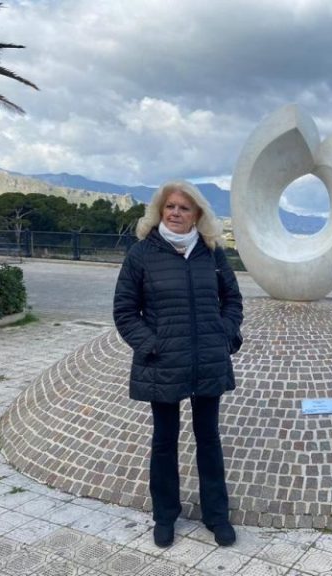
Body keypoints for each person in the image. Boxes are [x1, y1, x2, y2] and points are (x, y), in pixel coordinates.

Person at [113, 180, 243, 548]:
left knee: (209, 439)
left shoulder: (212, 252)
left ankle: (217, 516)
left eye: (184, 208)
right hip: (164, 363)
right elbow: (125, 311)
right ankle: (165, 516)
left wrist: (226, 335)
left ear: (197, 214)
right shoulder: (142, 254)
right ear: (159, 210)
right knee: (164, 442)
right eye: (170, 206)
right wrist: (151, 345)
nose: (175, 213)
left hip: (206, 360)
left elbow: (232, 299)